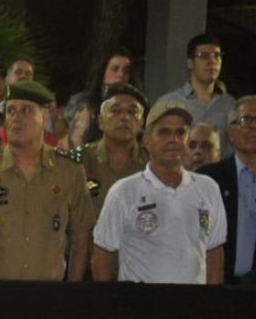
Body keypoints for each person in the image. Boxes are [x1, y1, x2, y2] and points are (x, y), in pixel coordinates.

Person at [0, 81, 95, 281]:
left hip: (47, 294)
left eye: (26, 110)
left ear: (44, 117)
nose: (16, 118)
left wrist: (70, 295)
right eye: (10, 111)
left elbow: (81, 239)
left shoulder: (69, 171)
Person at [94, 102, 226, 284]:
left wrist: (212, 305)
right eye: (164, 132)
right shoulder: (124, 191)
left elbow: (214, 253)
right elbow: (103, 255)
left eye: (181, 133)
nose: (174, 140)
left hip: (195, 308)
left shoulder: (208, 188)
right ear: (146, 141)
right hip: (140, 308)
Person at [197, 95, 256, 282]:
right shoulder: (208, 179)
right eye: (245, 120)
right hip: (218, 287)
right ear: (230, 133)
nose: (254, 127)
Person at [73, 83, 147, 216]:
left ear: (141, 122)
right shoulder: (78, 161)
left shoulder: (153, 164)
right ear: (100, 121)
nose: (124, 117)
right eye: (116, 111)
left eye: (132, 112)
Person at [153, 33, 236, 153]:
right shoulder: (168, 103)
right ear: (190, 63)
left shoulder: (230, 104)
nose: (212, 61)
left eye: (217, 56)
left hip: (218, 171)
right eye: (204, 56)